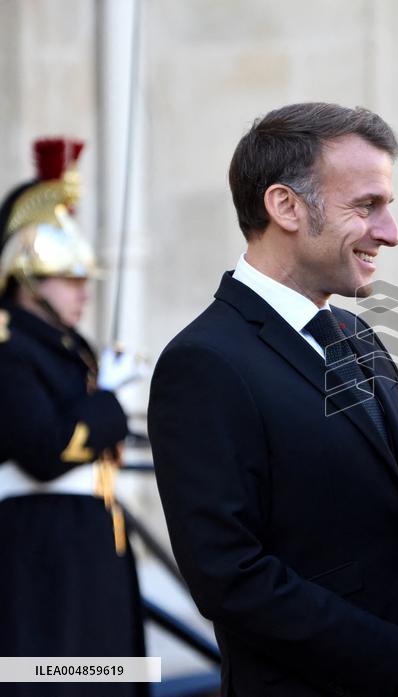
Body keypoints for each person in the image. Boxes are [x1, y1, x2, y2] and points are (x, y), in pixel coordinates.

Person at [147, 102, 398, 697]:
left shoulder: (355, 336)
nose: (391, 232)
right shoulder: (204, 363)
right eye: (367, 206)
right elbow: (230, 576)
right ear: (285, 206)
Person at [0, 138, 147, 696]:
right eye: (70, 277)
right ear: (28, 274)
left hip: (89, 543)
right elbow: (43, 448)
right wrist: (106, 400)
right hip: (44, 550)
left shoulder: (65, 348)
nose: (84, 291)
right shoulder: (10, 346)